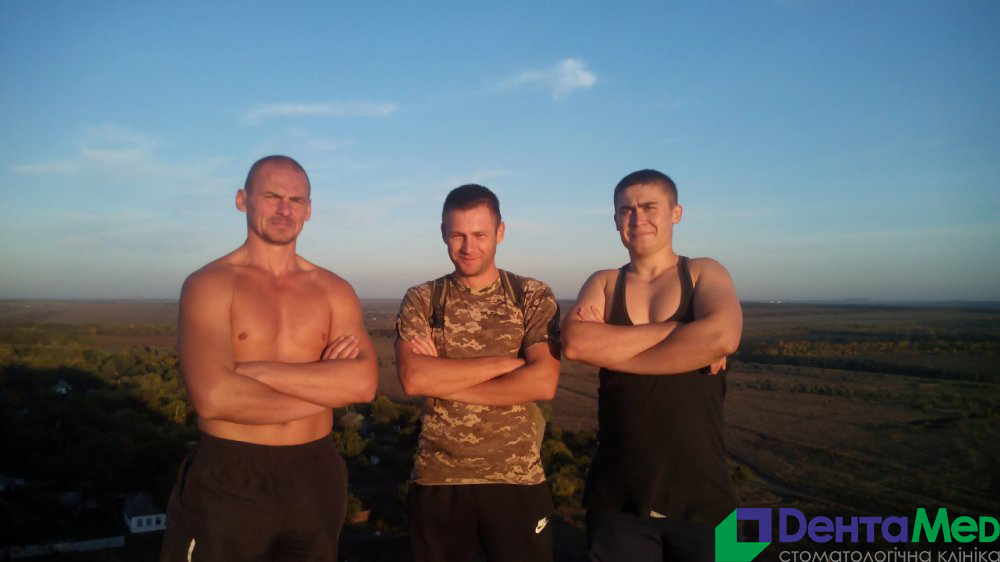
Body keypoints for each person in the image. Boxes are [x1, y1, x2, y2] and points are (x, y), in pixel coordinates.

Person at [160, 155, 377, 562]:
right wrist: (328, 386)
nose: (284, 209)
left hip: (315, 472)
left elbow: (364, 384)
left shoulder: (334, 290)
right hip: (230, 472)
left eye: (296, 200)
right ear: (242, 200)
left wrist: (260, 371)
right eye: (272, 196)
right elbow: (214, 398)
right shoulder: (210, 284)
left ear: (308, 210)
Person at [562, 169, 743, 562]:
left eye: (648, 207)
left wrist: (613, 352)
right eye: (625, 210)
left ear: (676, 213)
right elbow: (575, 344)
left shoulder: (704, 272)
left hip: (708, 497)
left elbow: (722, 337)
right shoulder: (606, 282)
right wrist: (679, 330)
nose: (636, 218)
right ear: (615, 221)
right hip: (618, 497)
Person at [394, 184, 561, 562]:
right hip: (439, 478)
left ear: (500, 232)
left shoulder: (530, 295)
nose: (468, 247)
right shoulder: (423, 298)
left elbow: (543, 382)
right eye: (458, 235)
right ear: (443, 234)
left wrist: (443, 379)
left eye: (480, 235)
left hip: (516, 477)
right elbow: (414, 378)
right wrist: (506, 364)